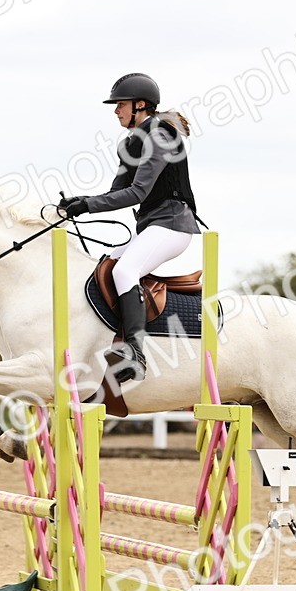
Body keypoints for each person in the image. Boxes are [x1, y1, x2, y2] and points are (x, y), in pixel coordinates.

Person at [58, 73, 201, 383]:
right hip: (153, 225)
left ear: (140, 105)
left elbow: (136, 194)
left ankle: (134, 352)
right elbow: (116, 191)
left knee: (125, 272)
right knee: (107, 263)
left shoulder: (160, 138)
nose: (115, 111)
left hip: (173, 225)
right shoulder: (131, 143)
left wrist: (88, 206)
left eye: (120, 105)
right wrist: (82, 201)